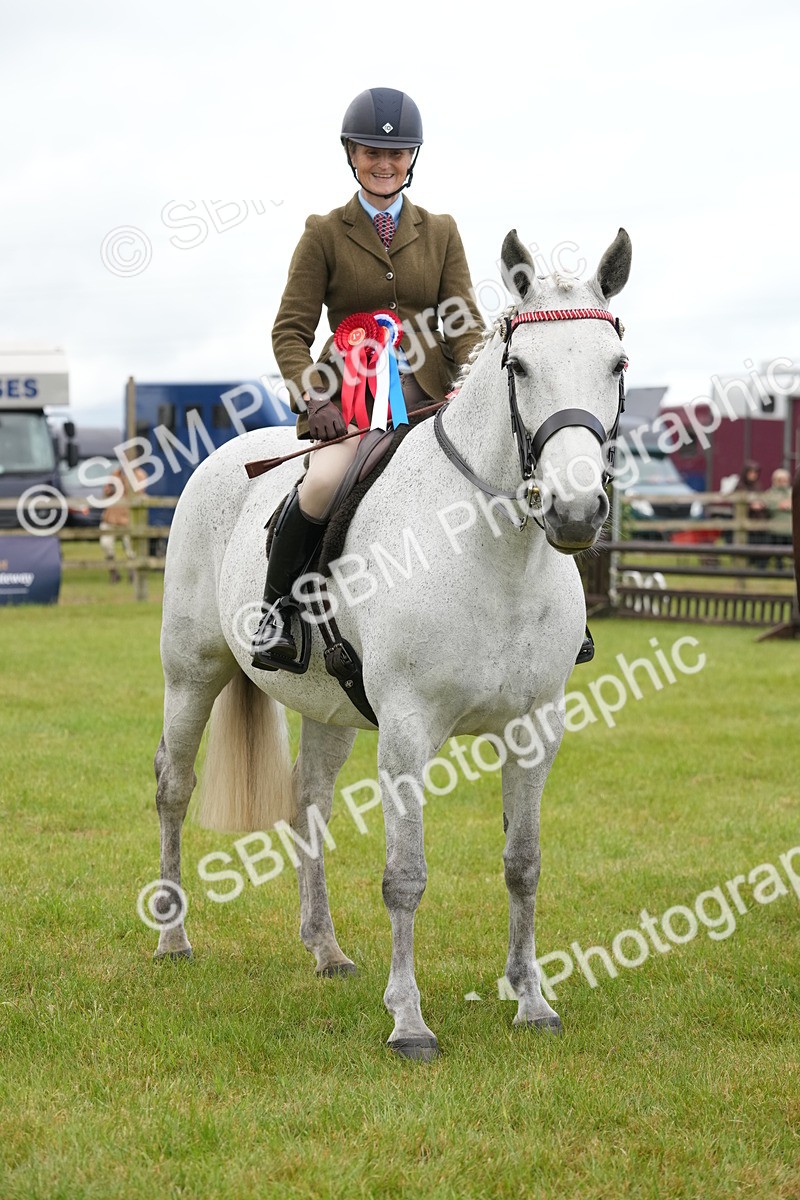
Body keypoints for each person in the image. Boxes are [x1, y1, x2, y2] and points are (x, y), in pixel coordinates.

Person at [251, 87, 485, 670]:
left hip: (430, 397)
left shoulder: (442, 231)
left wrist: (476, 376)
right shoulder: (324, 232)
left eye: (397, 154)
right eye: (370, 153)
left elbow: (463, 322)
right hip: (350, 404)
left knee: (511, 465)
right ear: (351, 155)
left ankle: (557, 617)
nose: (384, 164)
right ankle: (276, 612)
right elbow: (290, 331)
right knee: (323, 483)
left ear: (413, 158)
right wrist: (314, 392)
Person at [99, 462, 148, 582]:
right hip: (111, 517)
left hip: (128, 519)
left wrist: (124, 481)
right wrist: (109, 490)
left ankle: (132, 573)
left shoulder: (139, 475)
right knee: (106, 544)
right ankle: (114, 573)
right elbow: (105, 493)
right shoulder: (115, 474)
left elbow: (138, 492)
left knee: (131, 549)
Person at [762, 467, 793, 567]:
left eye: (785, 480)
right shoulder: (770, 493)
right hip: (775, 530)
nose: (783, 482)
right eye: (780, 480)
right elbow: (768, 504)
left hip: (790, 530)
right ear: (775, 480)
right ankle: (777, 568)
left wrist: (785, 505)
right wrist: (781, 505)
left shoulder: (793, 492)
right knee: (776, 553)